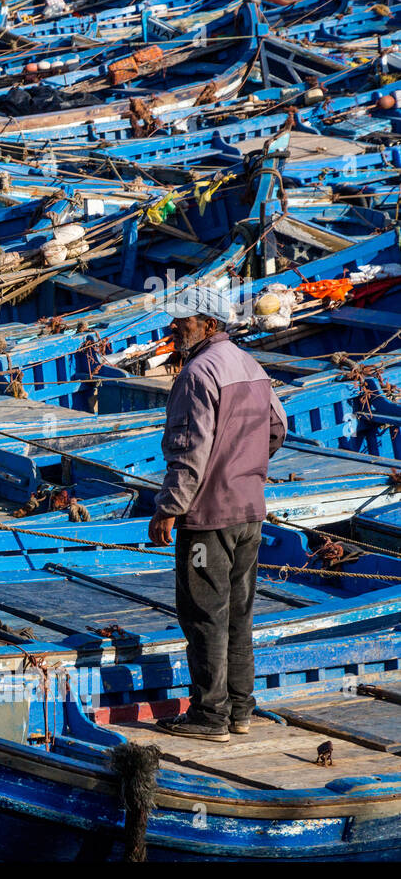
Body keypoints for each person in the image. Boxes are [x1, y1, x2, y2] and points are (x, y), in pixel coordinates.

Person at [148, 305, 288, 743]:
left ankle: (210, 717)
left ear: (209, 325)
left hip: (209, 517)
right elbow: (278, 426)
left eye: (182, 321)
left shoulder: (197, 372)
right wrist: (244, 465)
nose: (173, 327)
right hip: (249, 509)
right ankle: (240, 710)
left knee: (205, 614)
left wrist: (169, 507)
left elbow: (188, 452)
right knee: (239, 615)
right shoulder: (249, 363)